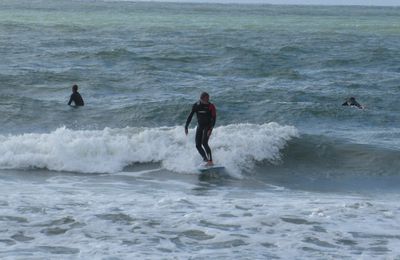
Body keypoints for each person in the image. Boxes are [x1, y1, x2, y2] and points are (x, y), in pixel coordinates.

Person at [185, 92, 216, 166]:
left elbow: (214, 119)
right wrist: (186, 126)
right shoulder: (196, 105)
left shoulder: (211, 106)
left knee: (204, 143)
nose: (208, 100)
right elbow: (190, 116)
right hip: (200, 126)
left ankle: (210, 161)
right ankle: (205, 160)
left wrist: (210, 129)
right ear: (202, 99)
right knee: (198, 145)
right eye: (206, 98)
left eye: (208, 98)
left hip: (208, 126)